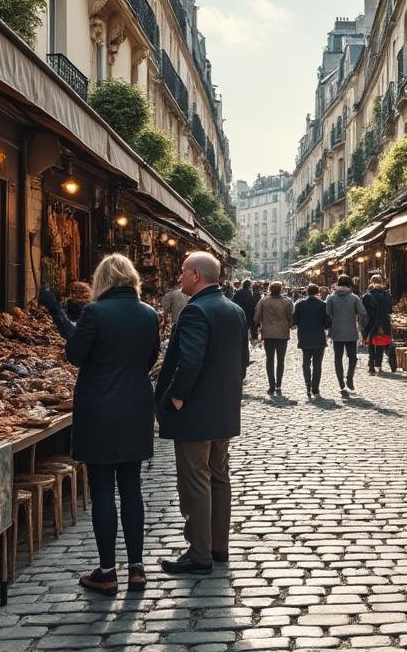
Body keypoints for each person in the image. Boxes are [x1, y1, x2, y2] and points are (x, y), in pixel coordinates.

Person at [41, 254, 159, 593]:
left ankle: (107, 572)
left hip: (99, 409)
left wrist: (58, 314)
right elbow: (150, 358)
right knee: (132, 487)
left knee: (104, 489)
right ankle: (137, 568)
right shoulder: (148, 314)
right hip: (136, 407)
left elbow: (75, 354)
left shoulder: (94, 313)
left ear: (102, 280)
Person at [155, 251, 249, 574]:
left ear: (196, 275)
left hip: (195, 412)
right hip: (223, 411)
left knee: (196, 480)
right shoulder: (234, 310)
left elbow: (190, 361)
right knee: (219, 477)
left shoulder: (196, 311)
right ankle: (218, 546)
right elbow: (243, 361)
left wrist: (176, 396)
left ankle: (199, 553)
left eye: (183, 271)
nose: (179, 277)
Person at [325, 274, 367, 396]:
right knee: (352, 357)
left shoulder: (331, 298)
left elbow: (327, 313)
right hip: (351, 332)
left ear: (337, 284)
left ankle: (341, 383)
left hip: (336, 332)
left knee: (338, 358)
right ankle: (349, 378)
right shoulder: (354, 298)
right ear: (350, 285)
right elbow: (363, 312)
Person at [254, 281, 294, 395]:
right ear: (281, 289)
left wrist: (257, 326)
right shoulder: (287, 301)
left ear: (270, 289)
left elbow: (256, 317)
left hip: (268, 334)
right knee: (281, 360)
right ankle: (279, 384)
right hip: (282, 334)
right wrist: (289, 325)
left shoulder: (264, 301)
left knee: (270, 360)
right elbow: (291, 317)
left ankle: (271, 385)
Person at [293, 283, 328, 398]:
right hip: (318, 337)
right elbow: (327, 323)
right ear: (317, 292)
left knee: (306, 363)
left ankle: (308, 385)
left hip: (304, 336)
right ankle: (315, 388)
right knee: (317, 365)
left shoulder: (300, 304)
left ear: (307, 292)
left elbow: (295, 321)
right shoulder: (323, 304)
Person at [362, 277, 397, 374]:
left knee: (371, 345)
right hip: (383, 322)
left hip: (370, 323)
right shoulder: (387, 295)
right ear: (382, 283)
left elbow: (364, 312)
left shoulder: (366, 296)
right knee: (380, 344)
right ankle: (379, 365)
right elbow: (389, 310)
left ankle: (371, 366)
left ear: (372, 283)